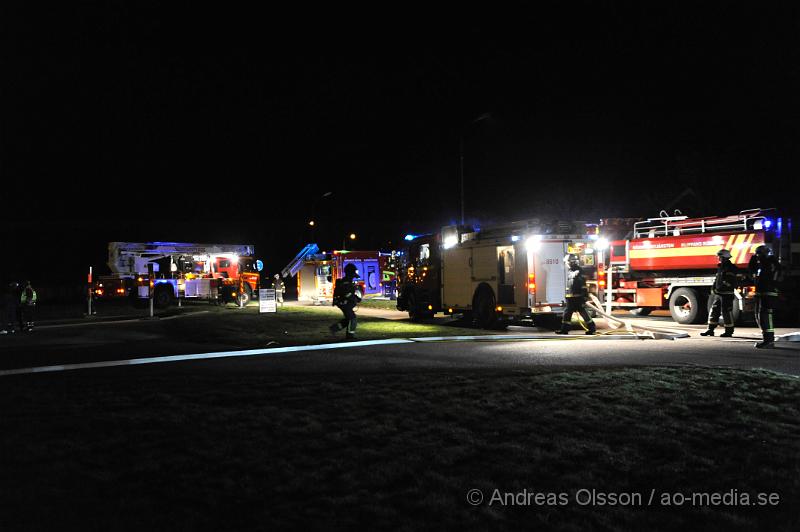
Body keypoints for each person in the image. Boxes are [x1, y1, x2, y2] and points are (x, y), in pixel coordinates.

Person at [700, 249, 739, 337]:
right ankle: (710, 329)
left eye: (719, 257)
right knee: (714, 310)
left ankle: (729, 331)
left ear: (724, 257)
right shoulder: (721, 267)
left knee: (726, 312)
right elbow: (718, 279)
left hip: (726, 294)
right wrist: (714, 287)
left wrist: (720, 288)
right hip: (719, 293)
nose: (718, 258)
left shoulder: (730, 268)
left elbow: (729, 281)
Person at [749, 245, 781, 349]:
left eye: (759, 254)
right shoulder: (766, 264)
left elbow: (767, 278)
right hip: (764, 293)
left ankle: (769, 341)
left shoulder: (769, 264)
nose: (757, 256)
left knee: (765, 316)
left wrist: (754, 260)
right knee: (762, 317)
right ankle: (767, 340)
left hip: (768, 293)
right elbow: (751, 271)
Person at [556, 254, 596, 335]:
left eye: (567, 262)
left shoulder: (579, 271)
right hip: (570, 297)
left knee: (582, 312)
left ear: (571, 262)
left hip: (578, 297)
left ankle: (591, 328)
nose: (566, 264)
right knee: (568, 313)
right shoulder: (571, 271)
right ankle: (565, 329)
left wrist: (584, 296)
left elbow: (583, 285)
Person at [329, 263, 362, 339]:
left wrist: (355, 297)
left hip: (344, 303)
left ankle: (334, 328)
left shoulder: (347, 281)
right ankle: (350, 336)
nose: (354, 277)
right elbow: (347, 294)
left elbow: (349, 293)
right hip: (344, 303)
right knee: (352, 319)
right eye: (353, 275)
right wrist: (355, 299)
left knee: (349, 319)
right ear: (350, 273)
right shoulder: (346, 282)